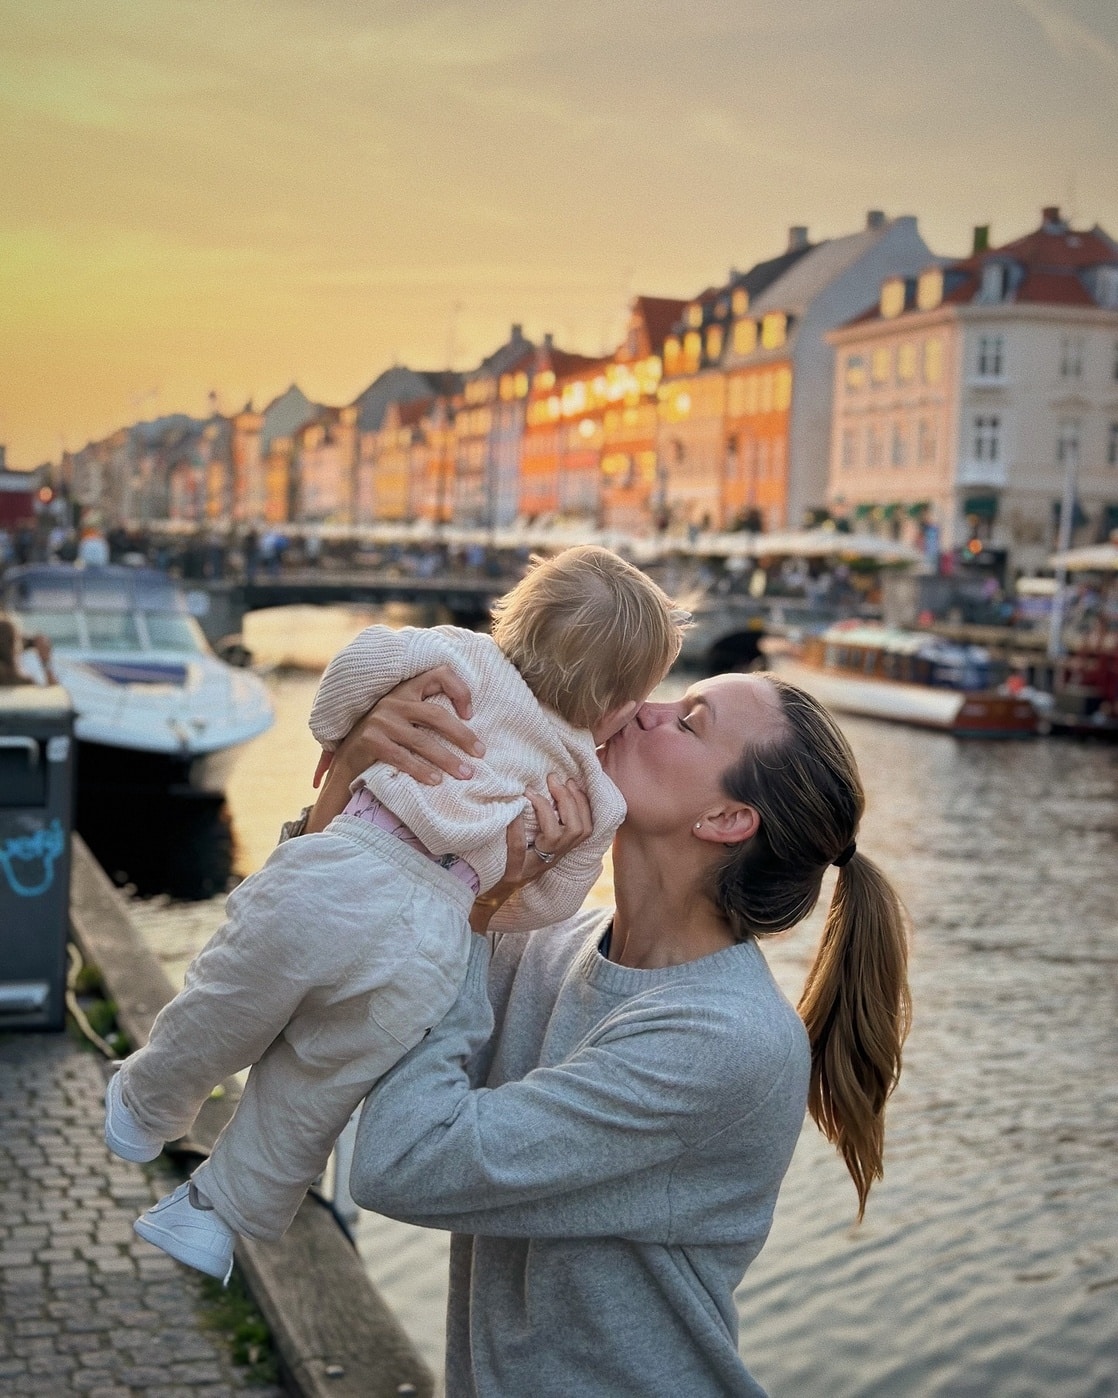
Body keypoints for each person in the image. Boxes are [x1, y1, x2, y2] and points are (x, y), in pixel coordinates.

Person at [305, 664, 911, 1396]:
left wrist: (471, 902)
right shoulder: (545, 936)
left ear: (725, 820)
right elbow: (309, 963)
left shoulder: (724, 1042)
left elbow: (404, 1162)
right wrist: (359, 772)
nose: (641, 710)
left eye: (688, 721)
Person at [105, 546, 686, 1284]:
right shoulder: (590, 789)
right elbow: (549, 903)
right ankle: (214, 1218)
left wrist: (344, 733)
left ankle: (147, 1104)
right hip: (432, 943)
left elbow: (348, 678)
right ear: (614, 710)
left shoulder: (457, 656)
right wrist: (499, 890)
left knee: (228, 1003)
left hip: (344, 871)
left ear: (510, 618)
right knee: (316, 1090)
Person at [0, 616, 57, 686]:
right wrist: (45, 661)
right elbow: (56, 694)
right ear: (14, 647)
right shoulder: (23, 683)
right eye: (19, 639)